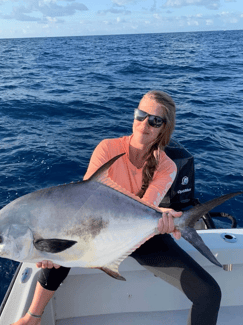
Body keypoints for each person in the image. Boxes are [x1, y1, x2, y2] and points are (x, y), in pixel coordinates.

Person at [13, 90, 221, 325]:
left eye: (154, 120)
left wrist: (164, 219)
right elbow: (83, 204)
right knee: (62, 243)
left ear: (164, 128)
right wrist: (48, 251)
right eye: (141, 115)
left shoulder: (168, 167)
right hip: (97, 229)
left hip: (142, 235)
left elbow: (146, 209)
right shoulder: (108, 149)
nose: (144, 124)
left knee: (210, 293)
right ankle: (32, 317)